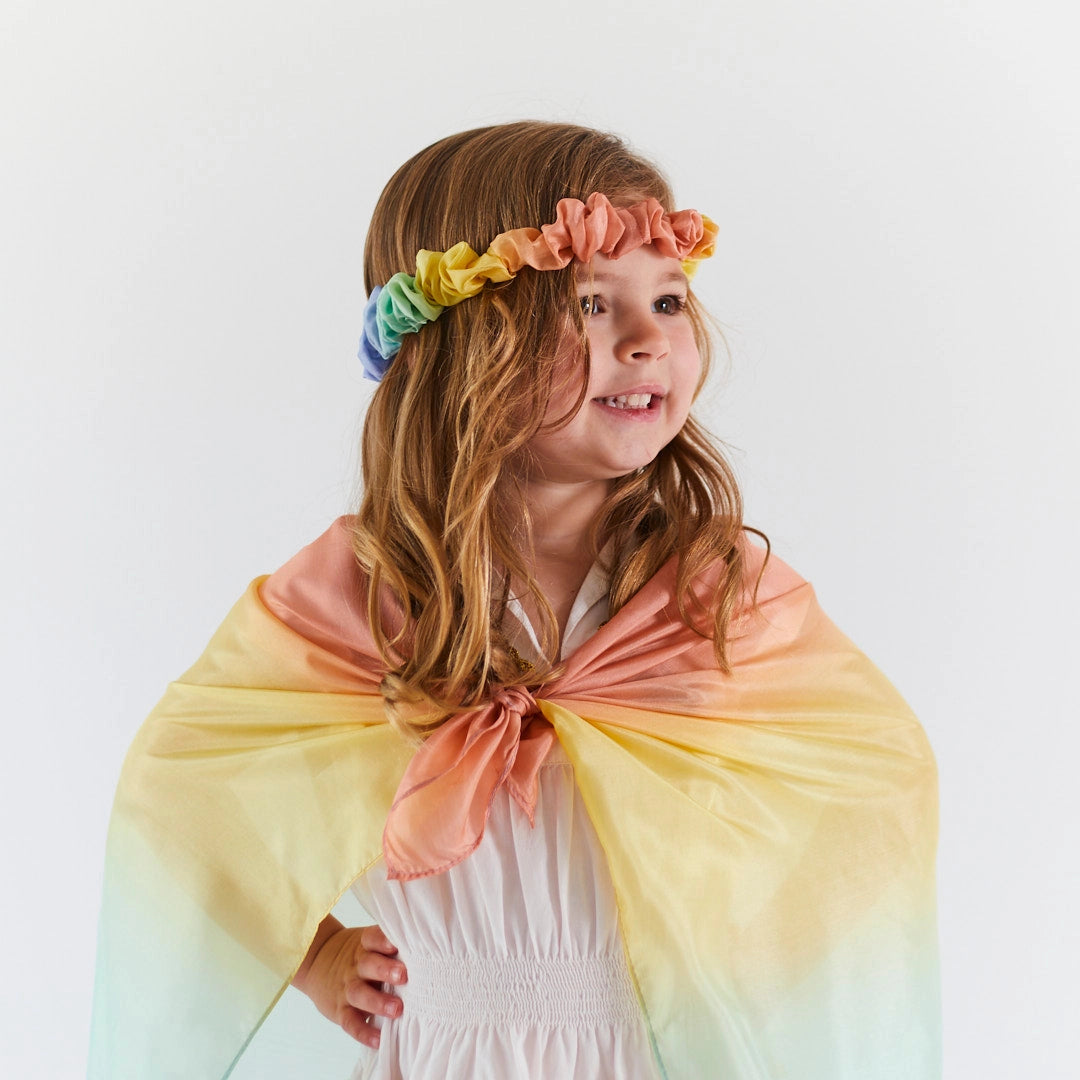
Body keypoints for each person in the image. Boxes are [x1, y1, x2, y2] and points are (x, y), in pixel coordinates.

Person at [89, 122, 941, 1080]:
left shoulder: (710, 592)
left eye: (668, 299)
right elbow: (189, 804)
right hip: (446, 1046)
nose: (647, 338)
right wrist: (318, 952)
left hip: (655, 1048)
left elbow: (859, 784)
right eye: (588, 304)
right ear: (462, 343)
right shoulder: (368, 594)